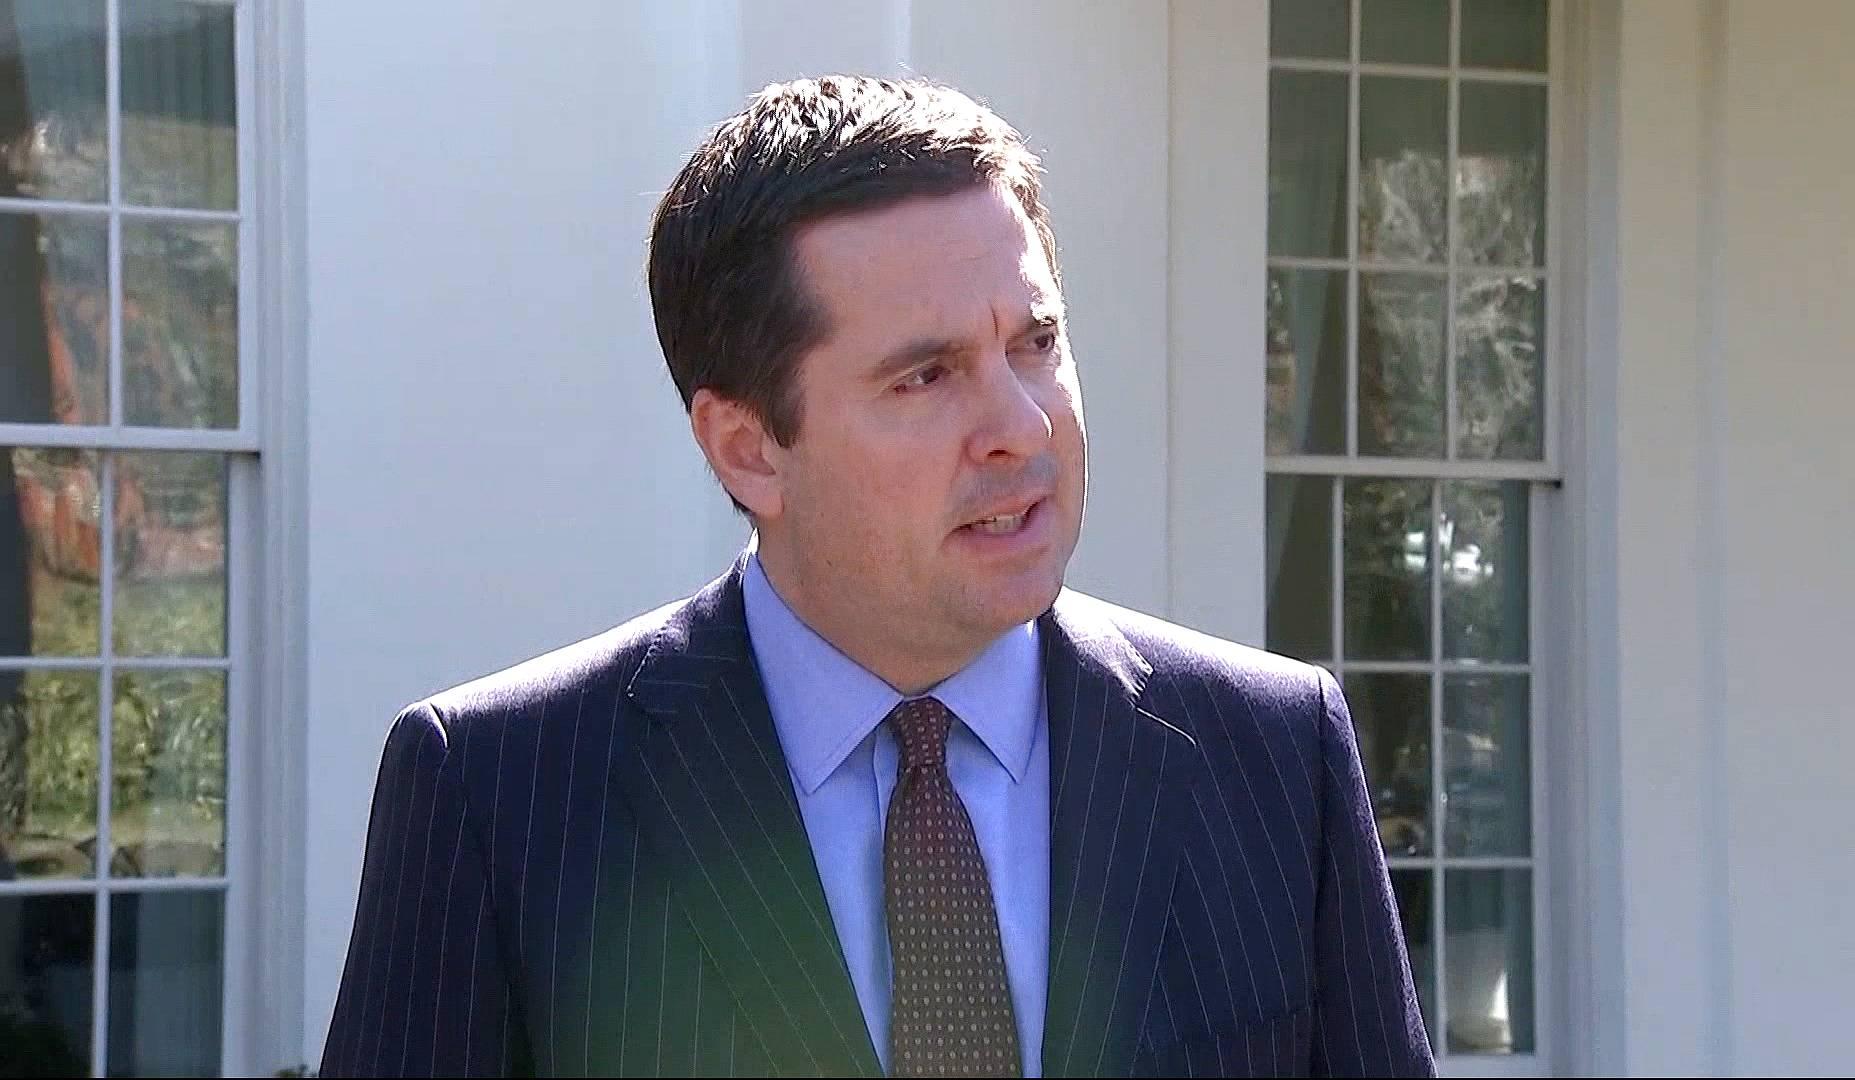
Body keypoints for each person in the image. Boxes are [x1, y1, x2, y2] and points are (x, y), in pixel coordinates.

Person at [318, 75, 1433, 1079]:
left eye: (1035, 343)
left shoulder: (1273, 752)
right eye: (926, 376)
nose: (1020, 423)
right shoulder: (502, 792)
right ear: (749, 448)